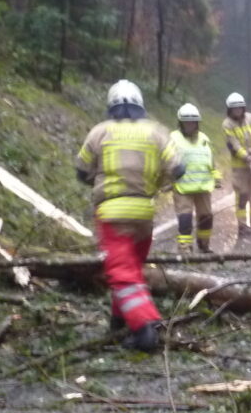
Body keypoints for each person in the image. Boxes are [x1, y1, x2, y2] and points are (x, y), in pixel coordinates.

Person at [76, 80, 181, 351]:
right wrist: (158, 182)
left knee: (121, 272)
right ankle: (119, 320)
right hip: (144, 213)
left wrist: (99, 181)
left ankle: (144, 328)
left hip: (112, 213)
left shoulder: (100, 132)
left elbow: (81, 170)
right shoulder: (156, 131)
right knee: (131, 268)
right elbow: (178, 168)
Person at [171, 103, 220, 253]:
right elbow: (165, 160)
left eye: (193, 122)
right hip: (182, 186)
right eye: (187, 122)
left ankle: (204, 245)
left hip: (203, 186)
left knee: (206, 218)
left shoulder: (204, 138)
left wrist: (216, 177)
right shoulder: (173, 138)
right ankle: (185, 249)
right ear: (181, 123)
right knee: (185, 219)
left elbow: (211, 160)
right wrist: (166, 180)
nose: (190, 125)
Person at [222, 92, 251, 236]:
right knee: (243, 195)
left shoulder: (250, 118)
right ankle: (242, 225)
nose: (237, 111)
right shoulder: (227, 124)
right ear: (230, 109)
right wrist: (247, 157)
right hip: (239, 166)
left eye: (240, 108)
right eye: (234, 108)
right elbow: (234, 145)